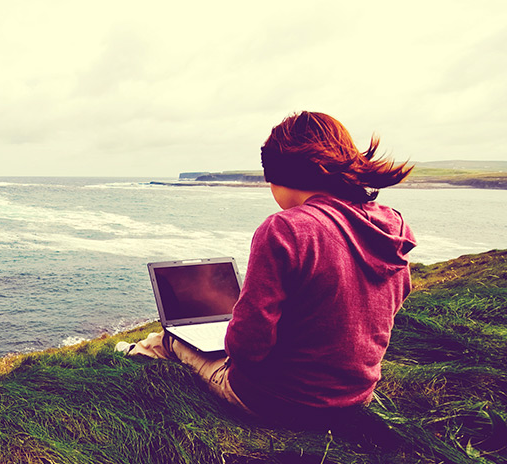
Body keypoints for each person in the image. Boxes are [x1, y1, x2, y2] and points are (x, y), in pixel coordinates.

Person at [118, 111, 416, 425]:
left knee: (174, 340)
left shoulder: (286, 229)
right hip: (355, 395)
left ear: (284, 174)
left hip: (277, 400)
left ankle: (131, 354)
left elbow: (248, 348)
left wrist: (232, 333)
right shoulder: (391, 225)